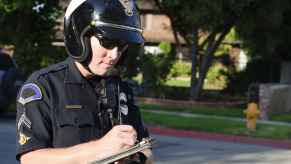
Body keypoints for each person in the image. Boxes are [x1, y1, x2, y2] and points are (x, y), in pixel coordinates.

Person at [16, 0, 153, 163]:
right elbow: (30, 159)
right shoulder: (43, 87)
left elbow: (146, 147)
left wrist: (138, 157)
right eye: (107, 42)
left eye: (122, 45)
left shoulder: (119, 88)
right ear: (80, 35)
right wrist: (101, 148)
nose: (114, 55)